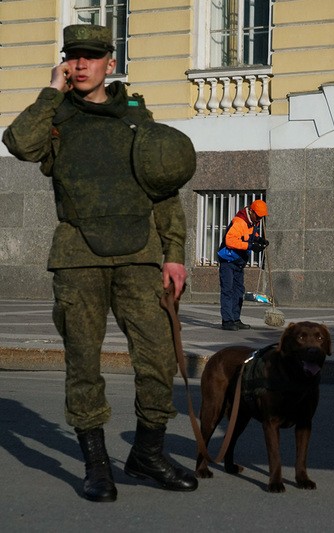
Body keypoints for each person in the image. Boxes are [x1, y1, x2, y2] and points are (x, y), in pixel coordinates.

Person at [2, 24, 198, 502]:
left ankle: (147, 453)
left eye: (92, 56)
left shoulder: (137, 117)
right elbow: (19, 144)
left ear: (111, 61)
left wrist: (174, 255)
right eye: (74, 56)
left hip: (139, 257)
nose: (82, 64)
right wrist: (51, 91)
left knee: (157, 357)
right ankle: (96, 466)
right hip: (77, 258)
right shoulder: (55, 117)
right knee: (83, 364)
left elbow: (164, 191)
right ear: (65, 62)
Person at [217, 199, 269, 331]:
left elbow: (249, 234)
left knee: (239, 291)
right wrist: (250, 245)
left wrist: (258, 239)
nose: (259, 219)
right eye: (258, 216)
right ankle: (227, 320)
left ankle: (235, 318)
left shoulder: (252, 222)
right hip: (228, 261)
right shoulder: (239, 221)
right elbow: (230, 241)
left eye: (261, 217)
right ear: (251, 211)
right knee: (227, 290)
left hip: (239, 261)